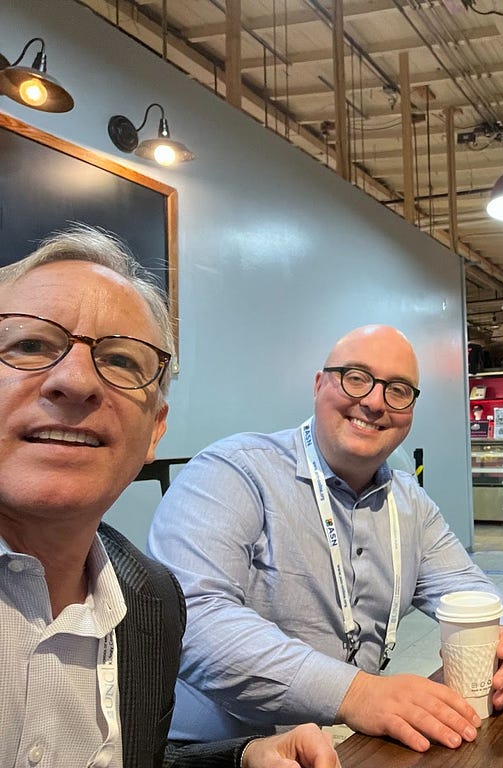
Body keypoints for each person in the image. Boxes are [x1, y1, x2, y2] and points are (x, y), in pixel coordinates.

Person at [0, 227, 338, 767]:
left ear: (156, 428)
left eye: (120, 361)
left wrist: (241, 758)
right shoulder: (237, 470)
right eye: (31, 345)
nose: (76, 380)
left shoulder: (151, 599)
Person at [148, 324, 503, 753]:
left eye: (399, 390)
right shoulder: (233, 473)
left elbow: (469, 588)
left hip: (349, 746)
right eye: (355, 377)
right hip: (219, 753)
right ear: (319, 384)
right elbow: (192, 619)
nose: (372, 402)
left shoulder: (410, 503)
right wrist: (358, 693)